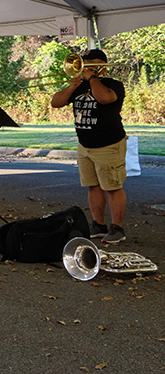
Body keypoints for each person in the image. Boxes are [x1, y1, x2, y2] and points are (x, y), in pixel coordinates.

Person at [51, 49, 128, 244]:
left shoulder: (113, 85)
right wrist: (71, 87)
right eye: (83, 62)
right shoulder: (78, 85)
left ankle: (117, 228)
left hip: (109, 144)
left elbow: (104, 98)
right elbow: (56, 103)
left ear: (101, 64)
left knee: (112, 186)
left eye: (90, 62)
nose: (85, 65)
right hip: (85, 145)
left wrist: (93, 78)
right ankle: (98, 225)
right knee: (93, 186)